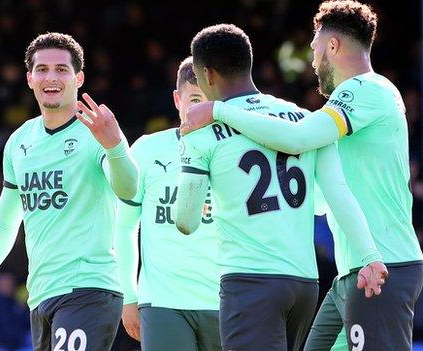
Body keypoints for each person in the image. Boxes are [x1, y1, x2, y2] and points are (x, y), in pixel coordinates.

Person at [180, 2, 422, 350]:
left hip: (382, 267)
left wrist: (219, 110)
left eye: (314, 47)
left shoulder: (363, 91)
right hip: (354, 270)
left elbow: (297, 138)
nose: (312, 58)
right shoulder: (368, 94)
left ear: (333, 46)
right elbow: (328, 192)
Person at [0, 32, 138, 351]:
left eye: (61, 69)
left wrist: (115, 147)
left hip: (89, 288)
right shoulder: (19, 141)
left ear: (79, 78)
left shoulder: (96, 132)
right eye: (43, 69)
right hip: (41, 295)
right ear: (30, 78)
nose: (52, 77)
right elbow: (5, 225)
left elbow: (130, 190)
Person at [116, 57, 221, 351]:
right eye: (194, 99)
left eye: (210, 100)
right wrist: (129, 295)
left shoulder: (236, 150)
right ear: (177, 99)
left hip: (226, 300)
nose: (201, 108)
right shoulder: (148, 150)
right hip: (162, 303)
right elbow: (123, 227)